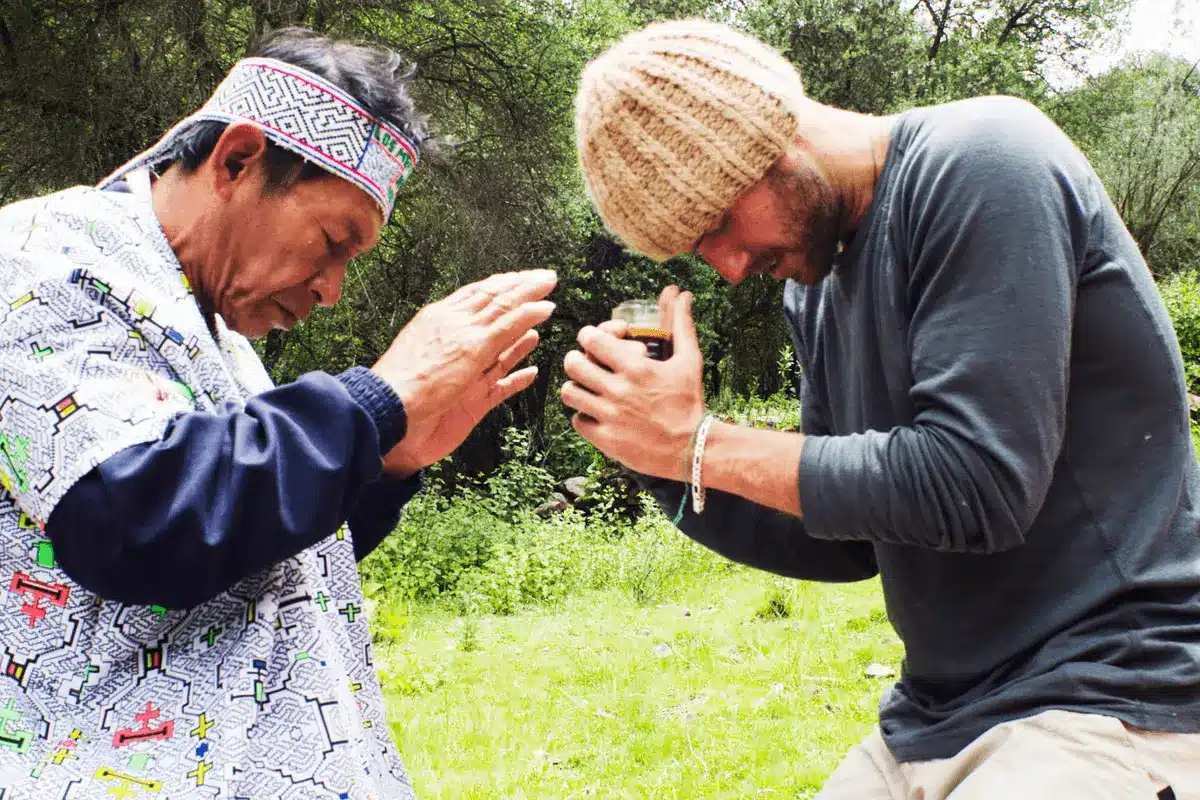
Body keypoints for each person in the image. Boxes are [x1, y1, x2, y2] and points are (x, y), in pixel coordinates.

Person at [564, 18, 1200, 799]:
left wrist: (700, 443)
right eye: (698, 251)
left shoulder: (984, 164)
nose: (728, 269)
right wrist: (660, 461)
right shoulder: (815, 284)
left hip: (1109, 696)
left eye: (721, 221)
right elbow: (851, 539)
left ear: (774, 137)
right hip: (941, 715)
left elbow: (976, 485)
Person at [0, 27, 556, 799]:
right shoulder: (39, 261)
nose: (331, 289)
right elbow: (134, 523)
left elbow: (254, 559)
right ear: (236, 160)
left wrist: (390, 459)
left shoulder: (214, 333)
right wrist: (373, 401)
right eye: (332, 241)